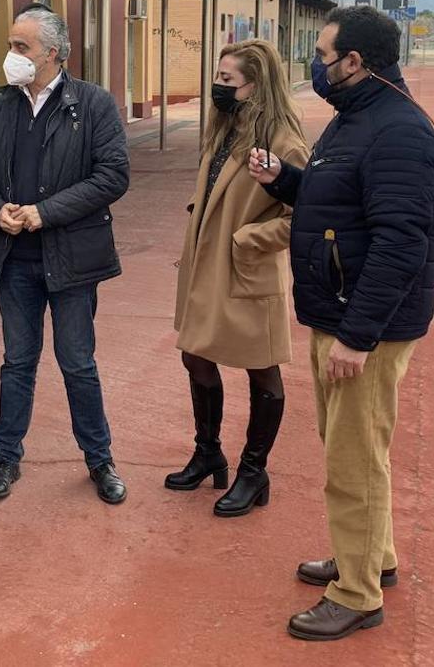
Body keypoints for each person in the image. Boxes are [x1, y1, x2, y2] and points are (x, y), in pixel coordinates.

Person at [248, 6, 434, 641]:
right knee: (356, 451)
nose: (319, 67)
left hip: (365, 326)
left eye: (326, 56)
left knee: (354, 464)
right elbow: (339, 200)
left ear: (355, 63)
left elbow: (399, 242)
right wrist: (286, 180)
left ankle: (356, 594)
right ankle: (372, 558)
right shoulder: (358, 119)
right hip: (340, 313)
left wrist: (359, 336)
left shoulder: (399, 133)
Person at [0, 3, 130, 504]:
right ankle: (5, 458)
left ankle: (99, 460)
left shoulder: (94, 104)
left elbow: (112, 176)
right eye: (11, 46)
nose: (11, 56)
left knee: (78, 362)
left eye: (21, 47)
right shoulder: (3, 106)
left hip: (72, 258)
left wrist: (44, 212)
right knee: (17, 361)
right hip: (15, 259)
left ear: (53, 54)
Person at [168, 39, 309, 518]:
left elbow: (302, 215)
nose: (218, 87)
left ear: (255, 86)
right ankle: (208, 451)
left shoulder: (284, 140)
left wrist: (247, 239)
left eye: (228, 80)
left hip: (246, 271)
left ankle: (255, 471)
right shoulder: (224, 129)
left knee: (261, 367)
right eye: (219, 77)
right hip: (206, 267)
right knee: (196, 356)